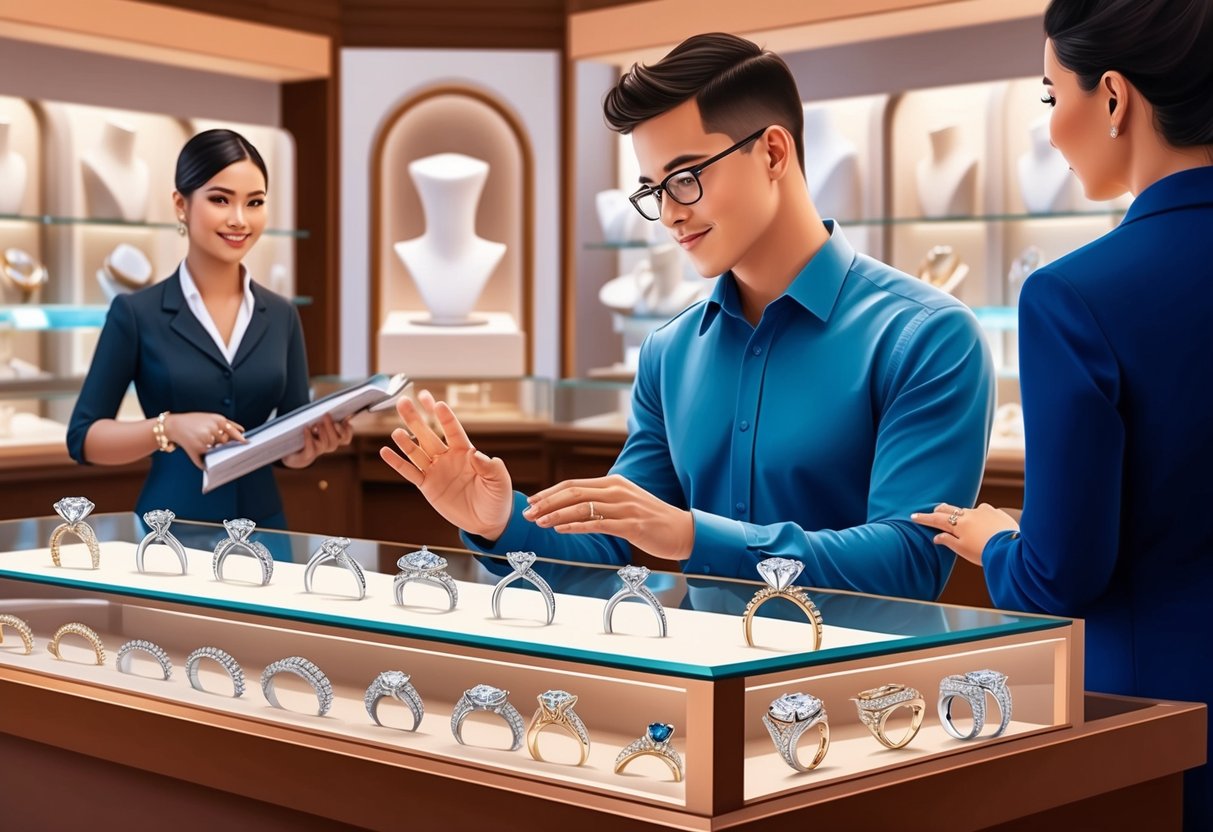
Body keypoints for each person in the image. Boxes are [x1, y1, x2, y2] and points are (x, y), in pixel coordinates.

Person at [382, 33, 995, 601]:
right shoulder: (670, 352)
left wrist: (694, 537)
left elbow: (910, 561)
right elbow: (613, 546)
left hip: (865, 705)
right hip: (698, 698)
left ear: (774, 153)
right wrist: (499, 524)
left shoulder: (929, 337)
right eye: (653, 189)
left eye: (685, 178)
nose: (671, 214)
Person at [911, 1, 1213, 826]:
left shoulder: (1075, 296)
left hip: (1164, 719)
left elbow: (1059, 573)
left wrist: (992, 540)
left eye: (1050, 97)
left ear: (1113, 98)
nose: (1048, 130)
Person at [67, 129, 351, 533]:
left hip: (265, 529)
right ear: (181, 205)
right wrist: (169, 427)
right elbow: (84, 438)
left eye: (254, 203)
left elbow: (286, 440)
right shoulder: (135, 313)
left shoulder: (282, 315)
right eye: (220, 199)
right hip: (168, 529)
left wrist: (306, 451)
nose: (239, 219)